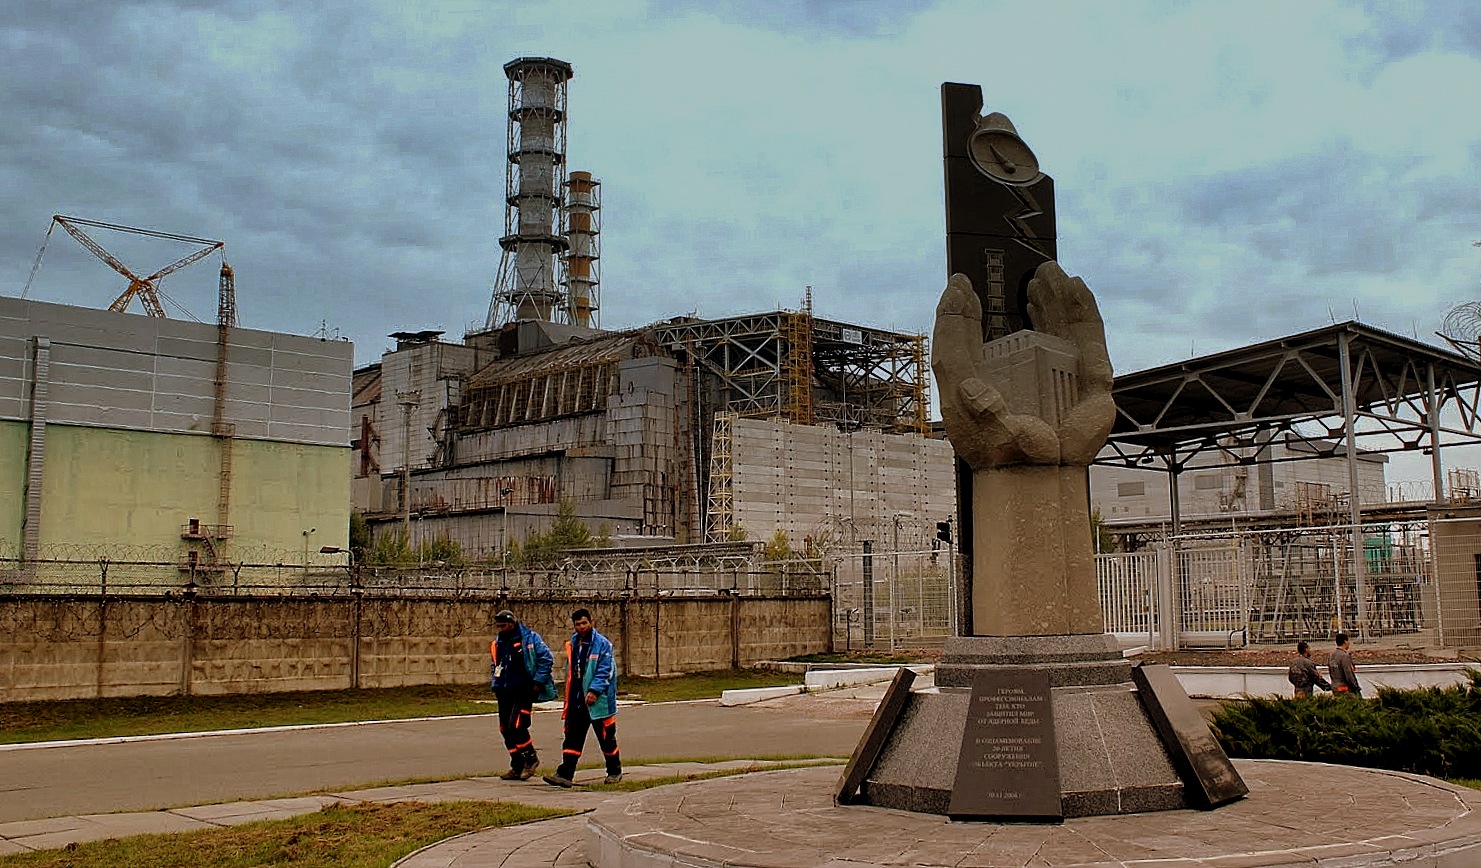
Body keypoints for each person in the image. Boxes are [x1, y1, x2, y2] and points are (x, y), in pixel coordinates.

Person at [544, 608, 622, 787]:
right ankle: (565, 774)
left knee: (606, 738)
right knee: (572, 737)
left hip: (599, 702)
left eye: (584, 623)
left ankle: (614, 771)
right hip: (577, 700)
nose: (581, 627)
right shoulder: (573, 643)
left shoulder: (603, 644)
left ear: (591, 622)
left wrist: (594, 691)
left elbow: (606, 670)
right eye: (577, 624)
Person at [490, 609, 555, 780]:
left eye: (504, 625)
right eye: (499, 626)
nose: (501, 629)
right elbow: (495, 663)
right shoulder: (498, 642)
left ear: (512, 623)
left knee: (517, 725)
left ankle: (530, 758)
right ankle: (517, 764)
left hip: (523, 690)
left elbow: (546, 659)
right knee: (505, 728)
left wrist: (537, 682)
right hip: (504, 690)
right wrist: (495, 683)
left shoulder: (530, 639)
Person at [1327, 632, 1362, 697]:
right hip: (1345, 688)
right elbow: (1348, 674)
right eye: (1348, 640)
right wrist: (1355, 687)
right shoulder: (1344, 656)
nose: (1349, 643)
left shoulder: (1331, 655)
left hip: (1335, 687)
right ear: (1345, 641)